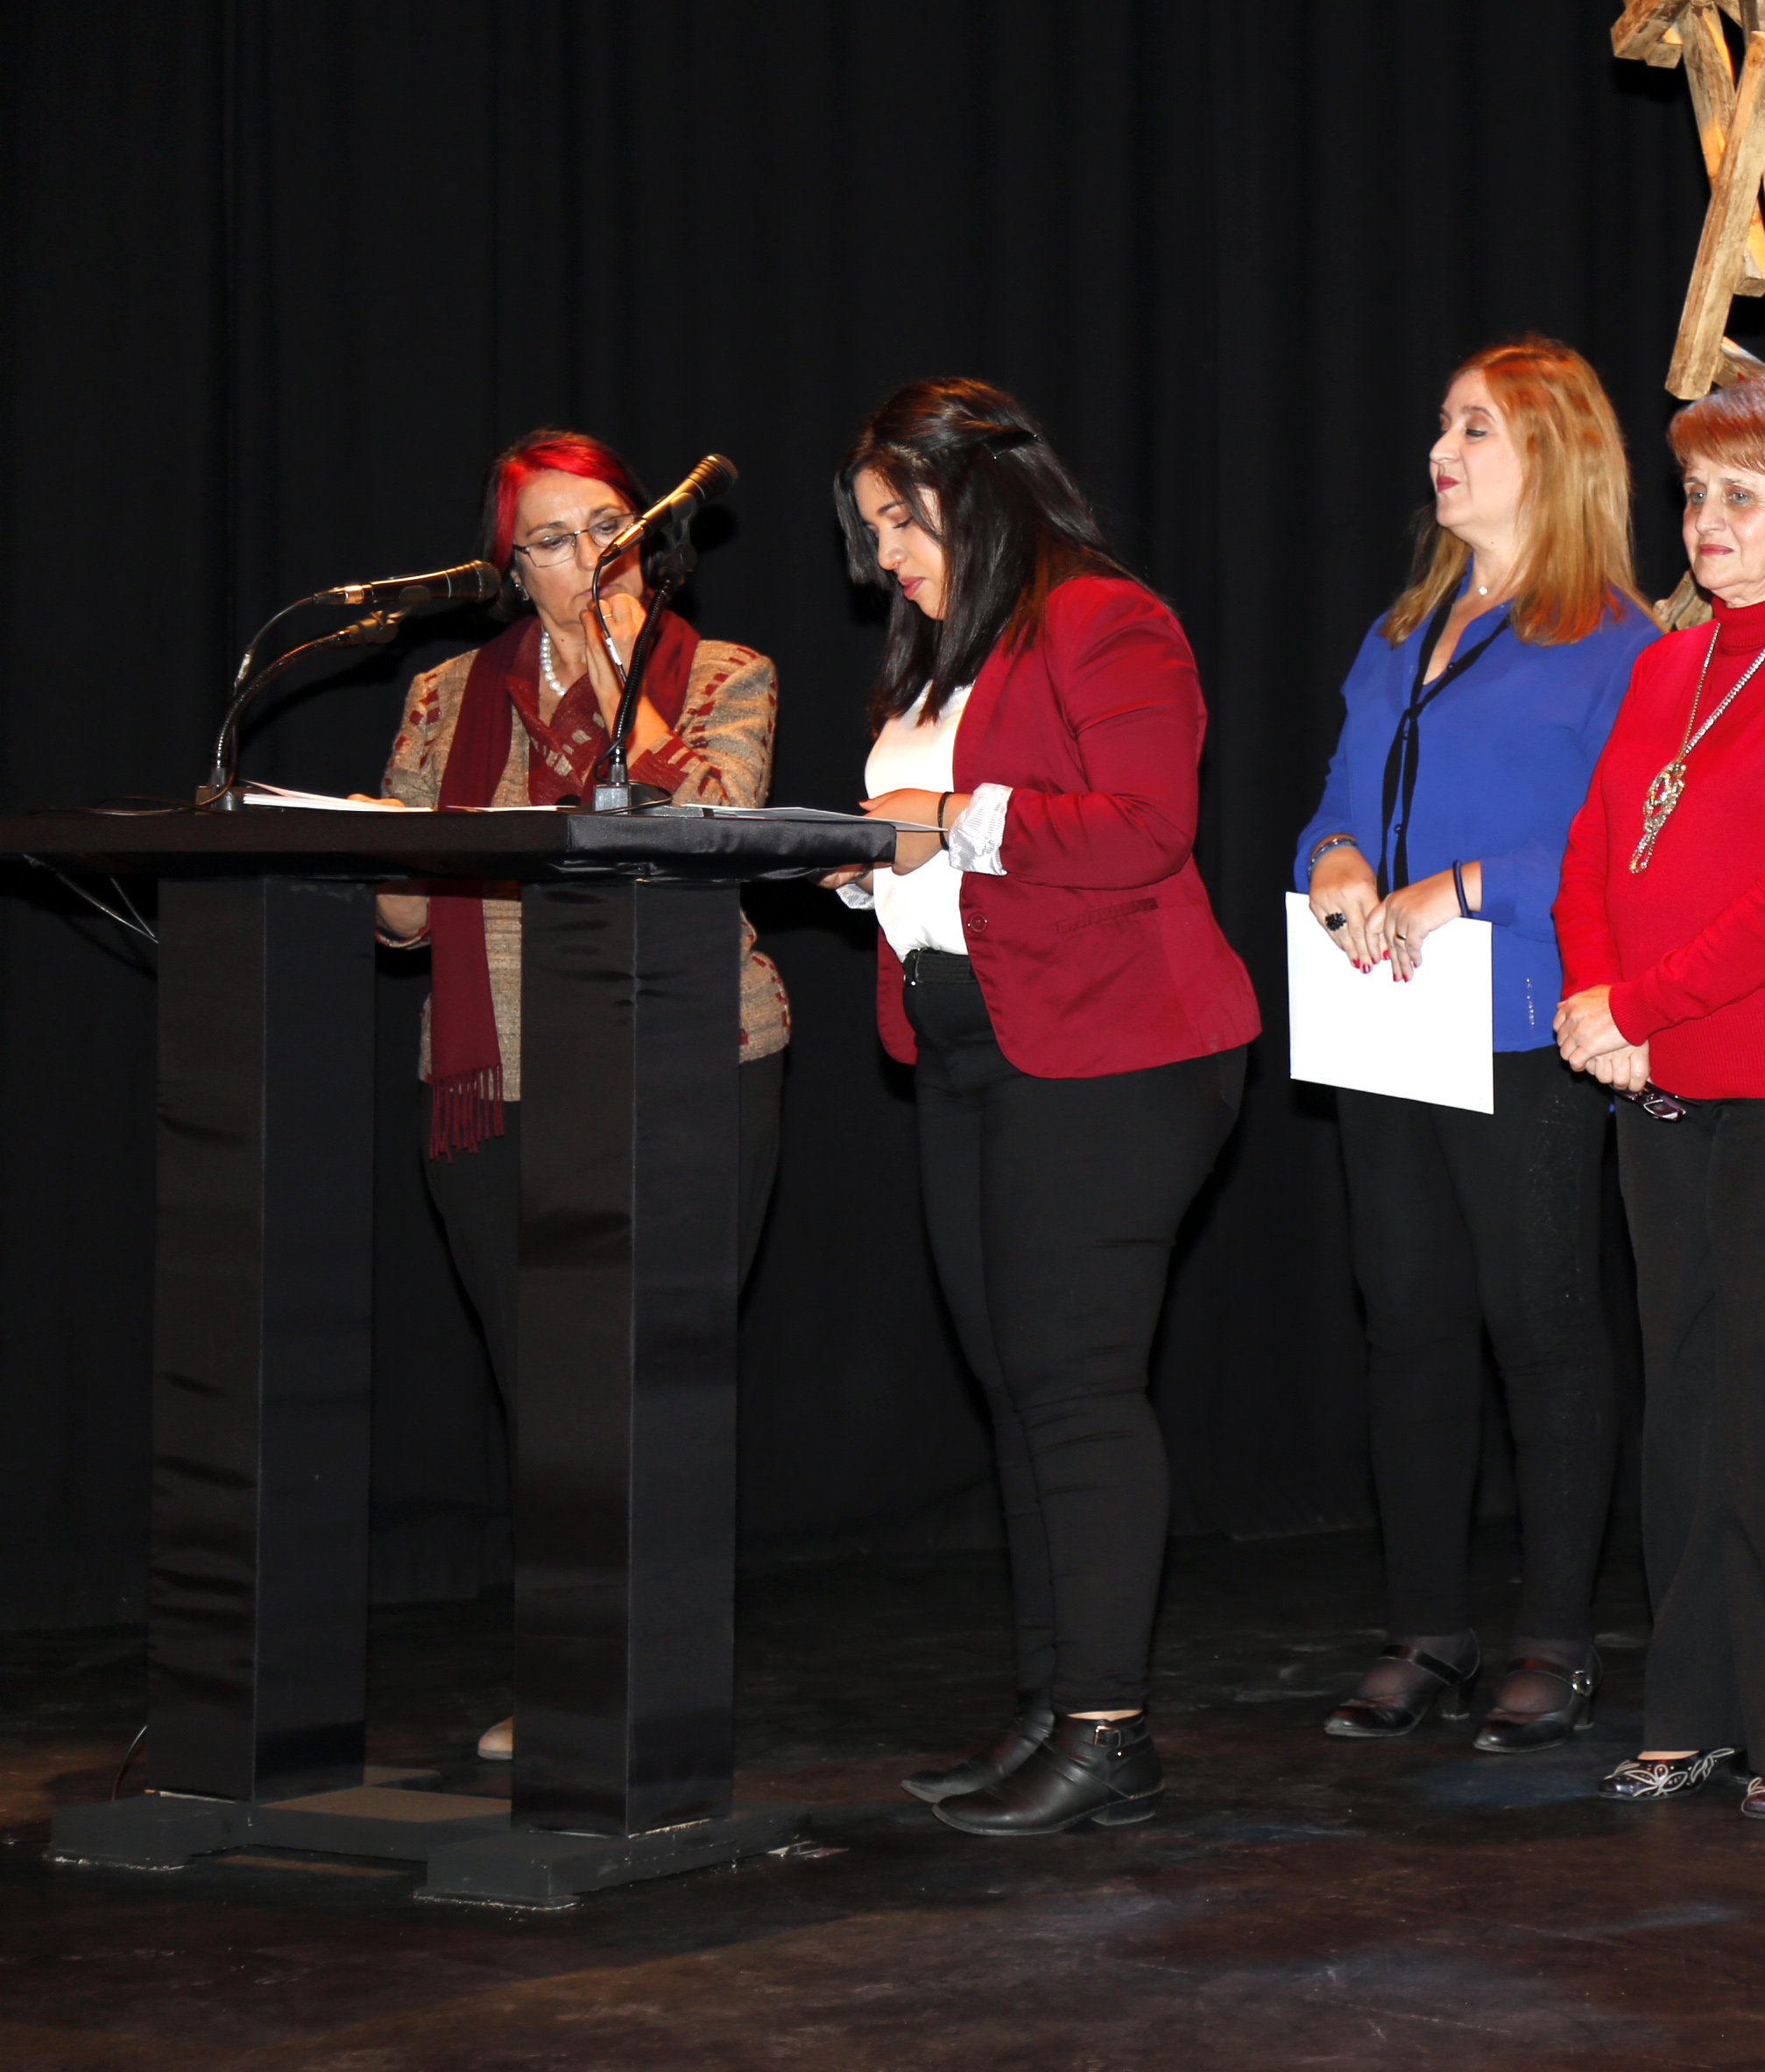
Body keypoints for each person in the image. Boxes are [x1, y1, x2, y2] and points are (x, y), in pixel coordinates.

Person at [829, 378, 1259, 1836]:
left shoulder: (1102, 617)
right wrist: (865, 861)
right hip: (972, 1039)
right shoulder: (938, 655)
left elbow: (1146, 827)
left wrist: (950, 824)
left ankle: (1109, 1734)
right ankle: (1049, 1711)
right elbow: (945, 849)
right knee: (1016, 1388)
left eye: (902, 518)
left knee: (1074, 1387)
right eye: (873, 528)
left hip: (1115, 1047)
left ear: (979, 491)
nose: (886, 553)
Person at [376, 428, 787, 1766]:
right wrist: (384, 859)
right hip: (495, 1074)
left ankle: (657, 1674)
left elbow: (712, 820)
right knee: (547, 1397)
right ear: (512, 568)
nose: (589, 555)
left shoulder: (724, 674)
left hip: (689, 1062)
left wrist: (616, 668)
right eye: (553, 539)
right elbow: (395, 916)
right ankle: (570, 1675)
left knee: (653, 1384)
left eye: (610, 526)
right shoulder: (447, 693)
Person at [1294, 335, 1656, 1751]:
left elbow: (1620, 844)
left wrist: (1467, 887)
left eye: (1477, 430)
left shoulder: (1619, 642)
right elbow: (1337, 795)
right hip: (1389, 1014)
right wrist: (1332, 858)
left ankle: (1556, 1637)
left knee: (1542, 1324)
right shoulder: (1402, 629)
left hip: (1522, 1024)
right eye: (1444, 426)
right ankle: (1426, 1629)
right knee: (1410, 1322)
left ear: (1554, 457)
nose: (1442, 453)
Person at [1553, 374, 1765, 1821]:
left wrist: (1638, 1007)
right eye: (1694, 493)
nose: (1706, 522)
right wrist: (1598, 1005)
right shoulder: (1666, 664)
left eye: (1742, 497)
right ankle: (1688, 1711)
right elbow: (1594, 848)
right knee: (1685, 1414)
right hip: (1664, 1091)